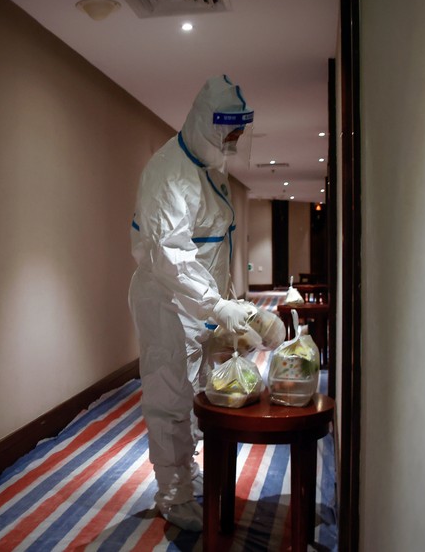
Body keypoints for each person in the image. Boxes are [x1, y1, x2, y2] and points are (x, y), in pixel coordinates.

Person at [128, 75, 255, 531]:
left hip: (197, 306)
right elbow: (170, 256)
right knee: (169, 397)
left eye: (239, 133)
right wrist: (216, 306)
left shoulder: (208, 167)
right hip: (167, 301)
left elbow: (211, 246)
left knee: (196, 391)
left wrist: (221, 304)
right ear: (207, 124)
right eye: (230, 132)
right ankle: (174, 496)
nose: (235, 142)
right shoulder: (168, 173)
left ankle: (186, 471)